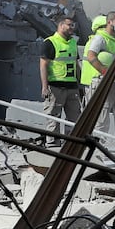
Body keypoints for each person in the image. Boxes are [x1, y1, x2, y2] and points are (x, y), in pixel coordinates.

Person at [82, 11, 115, 138]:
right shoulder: (100, 38)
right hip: (102, 81)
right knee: (101, 115)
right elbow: (91, 56)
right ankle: (98, 144)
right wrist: (105, 72)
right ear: (109, 22)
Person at [39, 14, 82, 143]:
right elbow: (43, 65)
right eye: (69, 25)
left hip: (71, 87)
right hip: (55, 87)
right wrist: (45, 87)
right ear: (61, 25)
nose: (71, 28)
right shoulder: (50, 42)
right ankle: (53, 143)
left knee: (74, 117)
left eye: (72, 25)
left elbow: (76, 64)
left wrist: (79, 84)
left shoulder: (73, 43)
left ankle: (71, 142)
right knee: (53, 117)